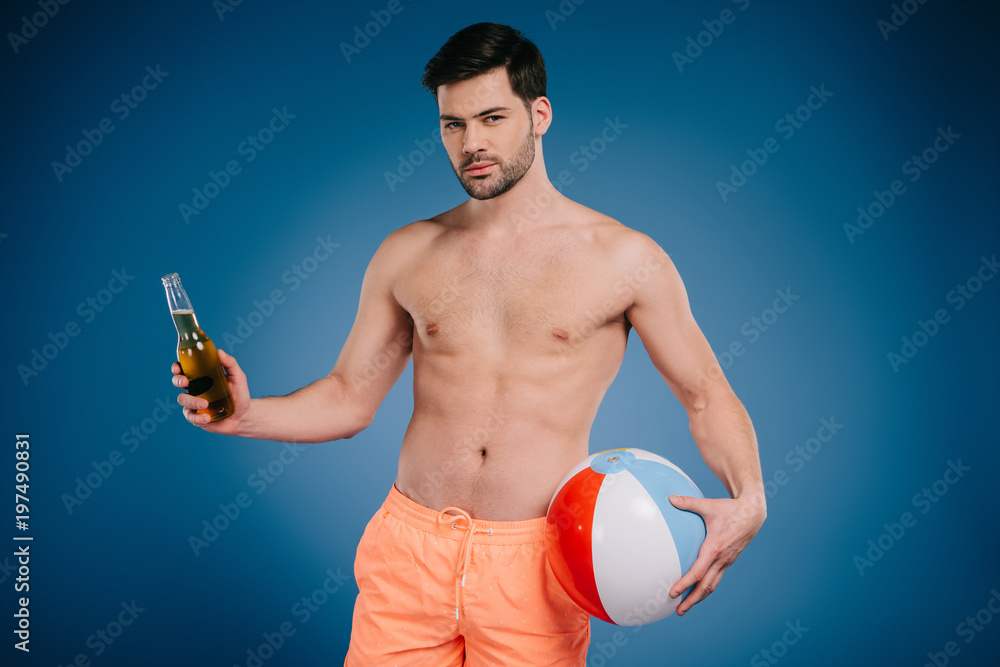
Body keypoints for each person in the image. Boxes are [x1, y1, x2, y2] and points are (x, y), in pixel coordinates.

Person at [171, 22, 766, 666]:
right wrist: (246, 415)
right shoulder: (408, 253)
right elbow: (347, 398)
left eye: (491, 117)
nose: (472, 144)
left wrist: (749, 500)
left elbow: (705, 394)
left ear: (539, 115)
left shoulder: (625, 259)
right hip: (409, 552)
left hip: (537, 565)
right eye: (453, 125)